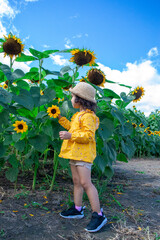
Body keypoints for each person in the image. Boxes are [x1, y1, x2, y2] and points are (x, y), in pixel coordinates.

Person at [58, 82, 107, 232]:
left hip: (84, 155)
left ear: (80, 99)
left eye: (73, 96)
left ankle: (98, 215)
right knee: (77, 182)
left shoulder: (89, 117)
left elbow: (88, 135)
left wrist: (70, 136)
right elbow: (72, 127)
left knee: (86, 183)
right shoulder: (78, 115)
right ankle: (78, 209)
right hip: (75, 153)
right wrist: (60, 118)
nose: (71, 99)